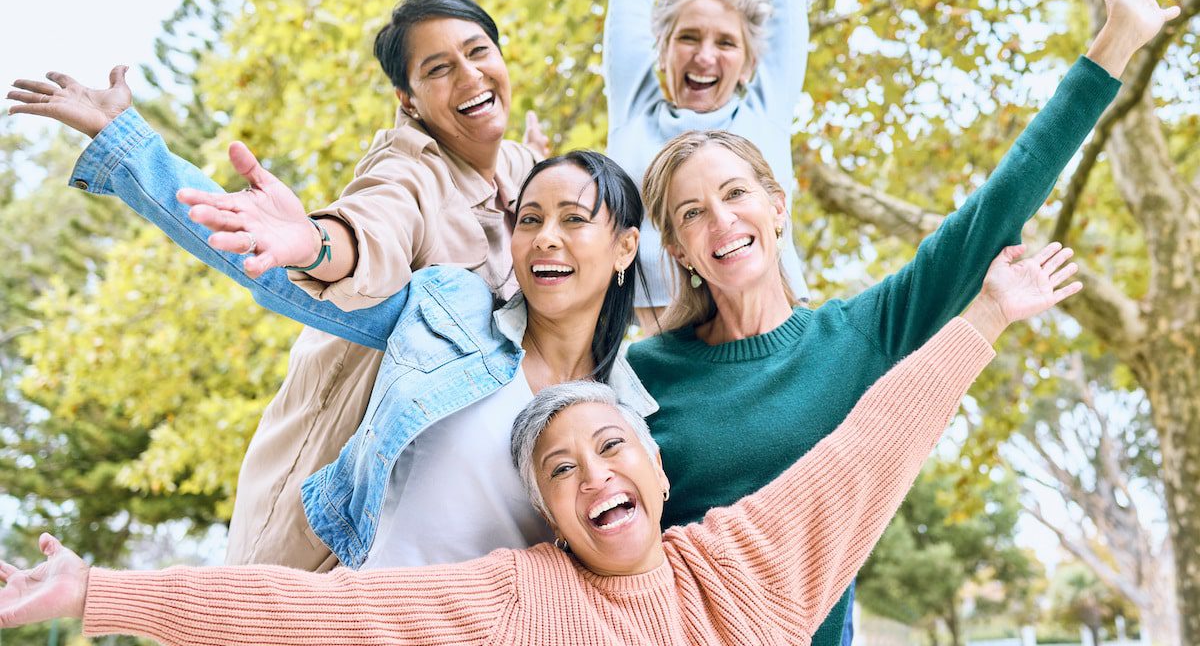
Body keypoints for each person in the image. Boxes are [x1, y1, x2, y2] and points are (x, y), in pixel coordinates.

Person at [0, 243, 1081, 645]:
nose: (591, 473)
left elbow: (873, 441)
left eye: (610, 447)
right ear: (550, 515)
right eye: (558, 471)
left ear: (660, 469)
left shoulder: (747, 567)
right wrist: (96, 593)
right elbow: (316, 609)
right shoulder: (522, 595)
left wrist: (985, 315)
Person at [628, 0, 1180, 646]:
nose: (722, 221)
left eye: (736, 195)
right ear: (675, 247)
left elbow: (1000, 201)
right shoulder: (642, 375)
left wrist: (1115, 43)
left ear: (777, 208)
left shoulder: (861, 336)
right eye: (693, 213)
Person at [7, 0, 547, 570]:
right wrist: (315, 244)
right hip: (331, 526)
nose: (469, 75)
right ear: (408, 101)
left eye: (478, 51)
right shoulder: (408, 173)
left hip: (455, 529)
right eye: (438, 68)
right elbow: (370, 230)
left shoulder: (516, 168)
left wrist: (538, 173)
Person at [604, 0, 811, 334]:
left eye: (725, 43)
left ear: (749, 62)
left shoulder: (764, 113)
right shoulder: (636, 111)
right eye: (689, 38)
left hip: (778, 335)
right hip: (660, 346)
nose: (705, 57)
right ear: (663, 50)